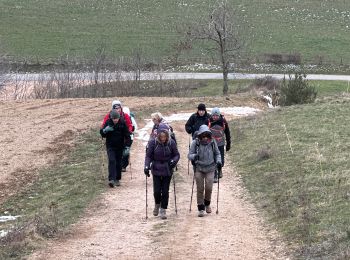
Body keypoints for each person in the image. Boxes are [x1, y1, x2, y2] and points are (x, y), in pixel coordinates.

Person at [144, 123, 180, 220]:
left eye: (165, 136)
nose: (163, 138)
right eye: (161, 136)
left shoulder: (171, 142)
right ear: (158, 135)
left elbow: (176, 155)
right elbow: (148, 156)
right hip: (156, 168)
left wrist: (173, 161)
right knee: (156, 191)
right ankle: (157, 204)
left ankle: (163, 209)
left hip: (167, 168)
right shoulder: (153, 143)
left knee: (165, 191)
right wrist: (146, 166)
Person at [188, 125, 221, 217]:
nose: (205, 138)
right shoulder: (195, 142)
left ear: (209, 135)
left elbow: (218, 153)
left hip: (210, 168)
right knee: (200, 188)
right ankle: (201, 208)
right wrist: (194, 156)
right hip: (199, 168)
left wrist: (219, 162)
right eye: (203, 136)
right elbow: (189, 155)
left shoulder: (213, 142)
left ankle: (207, 203)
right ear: (200, 135)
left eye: (207, 136)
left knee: (209, 187)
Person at [100, 110, 131, 187]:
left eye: (116, 118)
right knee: (111, 160)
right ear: (111, 118)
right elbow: (102, 134)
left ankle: (117, 179)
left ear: (119, 118)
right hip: (110, 145)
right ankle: (111, 179)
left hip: (120, 146)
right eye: (114, 119)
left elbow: (127, 136)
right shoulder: (108, 122)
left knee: (118, 162)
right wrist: (105, 131)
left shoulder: (122, 123)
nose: (115, 120)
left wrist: (127, 146)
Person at [209, 107, 231, 183]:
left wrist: (228, 144)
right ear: (211, 115)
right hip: (211, 143)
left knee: (221, 160)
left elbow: (227, 133)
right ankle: (215, 174)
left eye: (216, 115)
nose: (215, 117)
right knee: (213, 159)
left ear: (219, 115)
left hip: (221, 143)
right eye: (213, 115)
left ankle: (220, 169)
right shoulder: (208, 121)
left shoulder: (223, 121)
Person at [121, 106, 138, 172]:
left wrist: (131, 131)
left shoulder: (131, 118)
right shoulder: (120, 117)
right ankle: (120, 164)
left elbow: (135, 128)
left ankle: (124, 166)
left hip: (129, 137)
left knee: (126, 151)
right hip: (121, 137)